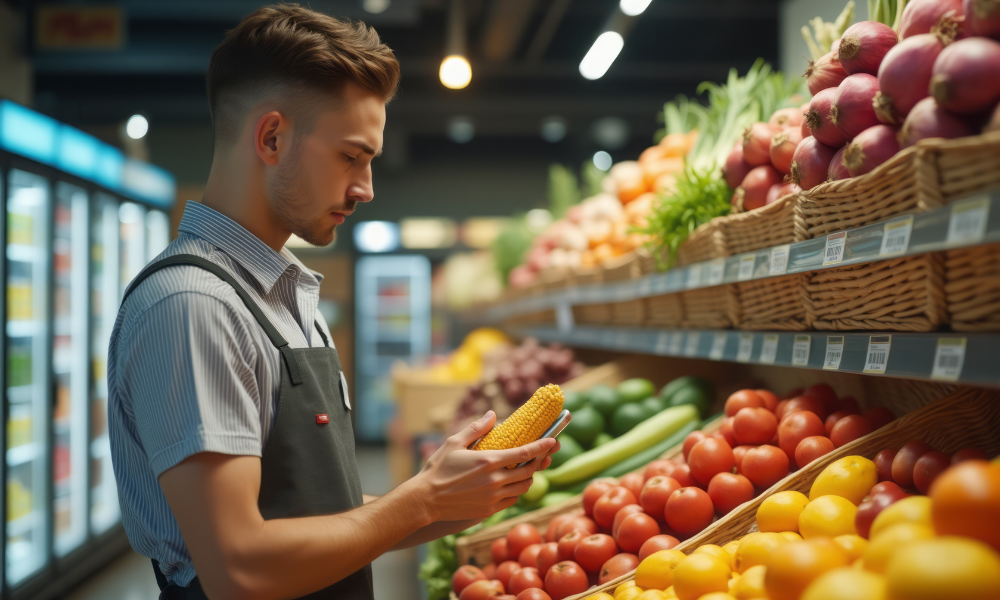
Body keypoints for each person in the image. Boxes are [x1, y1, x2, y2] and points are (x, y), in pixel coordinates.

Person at [107, 5, 558, 599]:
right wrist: (420, 501)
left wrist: (451, 497)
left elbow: (320, 512)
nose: (366, 188)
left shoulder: (289, 296)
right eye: (352, 156)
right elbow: (238, 567)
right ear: (271, 137)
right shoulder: (194, 305)